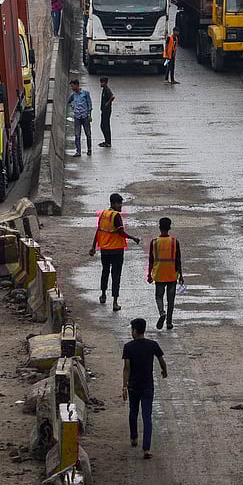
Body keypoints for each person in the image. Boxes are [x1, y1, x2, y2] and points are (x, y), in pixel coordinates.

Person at [122, 317, 167, 459]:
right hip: (148, 385)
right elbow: (161, 360)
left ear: (135, 331)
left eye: (132, 329)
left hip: (133, 386)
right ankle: (146, 449)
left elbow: (126, 368)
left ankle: (134, 437)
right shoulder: (152, 345)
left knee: (133, 412)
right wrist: (164, 372)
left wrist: (124, 386)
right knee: (147, 416)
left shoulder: (128, 347)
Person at [89, 193, 141, 311]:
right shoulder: (116, 216)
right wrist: (133, 238)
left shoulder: (103, 214)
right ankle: (115, 302)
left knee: (105, 272)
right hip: (117, 250)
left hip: (105, 250)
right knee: (116, 275)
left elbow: (99, 231)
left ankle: (103, 295)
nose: (121, 206)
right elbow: (121, 232)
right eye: (119, 203)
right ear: (113, 203)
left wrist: (93, 247)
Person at [147, 217, 183, 330]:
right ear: (169, 228)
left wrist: (149, 274)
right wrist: (181, 275)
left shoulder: (154, 242)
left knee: (159, 296)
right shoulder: (174, 242)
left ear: (159, 227)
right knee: (171, 299)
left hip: (159, 274)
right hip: (172, 274)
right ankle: (169, 322)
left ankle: (162, 312)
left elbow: (151, 260)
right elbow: (178, 260)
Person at [65, 79, 93, 157]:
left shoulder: (85, 93)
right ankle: (78, 151)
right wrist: (73, 107)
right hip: (77, 116)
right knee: (77, 135)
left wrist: (89, 114)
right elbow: (68, 102)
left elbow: (89, 104)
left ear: (77, 85)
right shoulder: (73, 95)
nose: (72, 87)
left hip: (85, 116)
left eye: (72, 86)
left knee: (88, 134)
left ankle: (89, 149)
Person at [98, 77, 115, 147]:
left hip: (107, 111)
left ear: (105, 83)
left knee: (105, 126)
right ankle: (106, 140)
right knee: (103, 126)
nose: (101, 84)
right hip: (104, 111)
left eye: (102, 82)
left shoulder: (107, 90)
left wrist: (107, 103)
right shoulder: (104, 90)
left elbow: (113, 97)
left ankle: (108, 142)